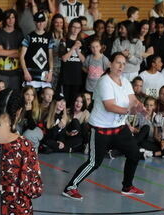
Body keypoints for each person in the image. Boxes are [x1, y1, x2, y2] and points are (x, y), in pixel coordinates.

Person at [62, 52, 145, 201]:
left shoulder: (125, 82)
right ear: (110, 64)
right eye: (118, 63)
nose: (121, 66)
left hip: (119, 128)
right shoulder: (104, 82)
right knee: (94, 163)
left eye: (123, 64)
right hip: (101, 130)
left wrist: (139, 107)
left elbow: (133, 100)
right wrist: (129, 110)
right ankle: (70, 187)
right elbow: (110, 106)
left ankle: (127, 186)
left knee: (134, 154)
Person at [20, 12, 53, 89]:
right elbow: (21, 56)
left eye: (42, 21)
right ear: (35, 22)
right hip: (30, 73)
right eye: (38, 22)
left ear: (45, 22)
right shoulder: (29, 36)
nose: (40, 24)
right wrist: (25, 72)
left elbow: (50, 57)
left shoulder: (49, 37)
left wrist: (51, 72)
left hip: (44, 74)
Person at [0, 10, 23, 91]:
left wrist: (5, 53)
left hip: (15, 72)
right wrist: (16, 51)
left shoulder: (19, 34)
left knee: (14, 97)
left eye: (13, 17)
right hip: (1, 72)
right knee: (1, 96)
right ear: (5, 19)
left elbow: (21, 54)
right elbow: (0, 52)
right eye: (8, 18)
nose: (11, 20)